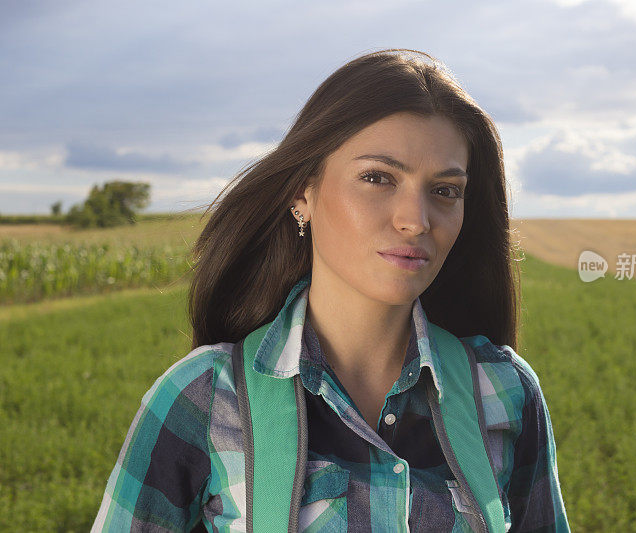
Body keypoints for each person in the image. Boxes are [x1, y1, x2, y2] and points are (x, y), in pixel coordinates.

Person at [91, 48, 570, 532]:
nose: (415, 220)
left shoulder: (506, 392)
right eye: (377, 178)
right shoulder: (204, 397)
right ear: (303, 191)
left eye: (445, 190)